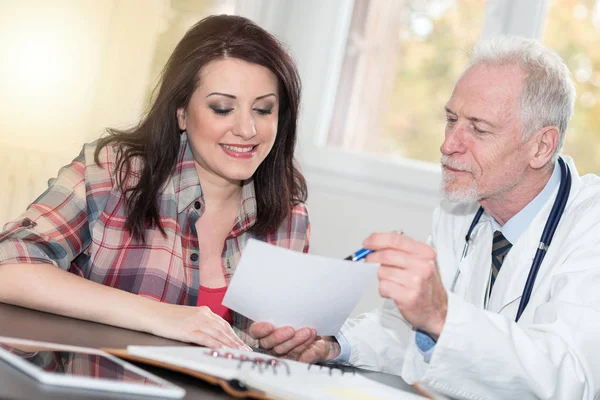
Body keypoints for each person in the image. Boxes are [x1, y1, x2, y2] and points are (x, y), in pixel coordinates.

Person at [250, 36, 600, 399]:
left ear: (541, 146)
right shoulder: (461, 207)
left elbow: (574, 377)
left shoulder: (590, 224)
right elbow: (408, 333)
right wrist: (334, 345)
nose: (448, 145)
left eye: (478, 129)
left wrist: (441, 315)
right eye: (451, 120)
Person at [0, 15, 310, 351]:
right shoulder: (114, 173)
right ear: (181, 111)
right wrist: (159, 316)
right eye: (222, 108)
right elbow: (9, 265)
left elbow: (274, 349)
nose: (247, 130)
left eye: (263, 110)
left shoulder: (289, 216)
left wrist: (305, 346)